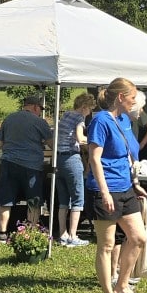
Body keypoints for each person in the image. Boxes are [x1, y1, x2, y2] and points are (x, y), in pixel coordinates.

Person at [87, 78, 147, 293]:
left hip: (125, 189)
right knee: (106, 245)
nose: (135, 102)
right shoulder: (100, 121)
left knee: (138, 238)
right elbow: (94, 159)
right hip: (106, 190)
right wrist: (104, 192)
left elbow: (128, 155)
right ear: (121, 97)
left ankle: (122, 286)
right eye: (132, 97)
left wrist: (135, 183)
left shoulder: (124, 120)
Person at [0, 94, 53, 242]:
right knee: (33, 200)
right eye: (40, 109)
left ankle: (2, 233)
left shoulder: (8, 119)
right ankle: (31, 231)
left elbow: (0, 144)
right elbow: (52, 144)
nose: (40, 112)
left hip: (9, 162)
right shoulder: (39, 122)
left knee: (5, 200)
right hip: (31, 166)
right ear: (35, 107)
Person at [55, 93, 95, 247]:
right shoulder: (79, 118)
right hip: (71, 159)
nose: (89, 113)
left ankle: (63, 234)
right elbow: (80, 138)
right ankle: (73, 236)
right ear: (84, 107)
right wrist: (94, 141)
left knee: (63, 200)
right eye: (89, 109)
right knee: (78, 198)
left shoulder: (66, 115)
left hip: (59, 159)